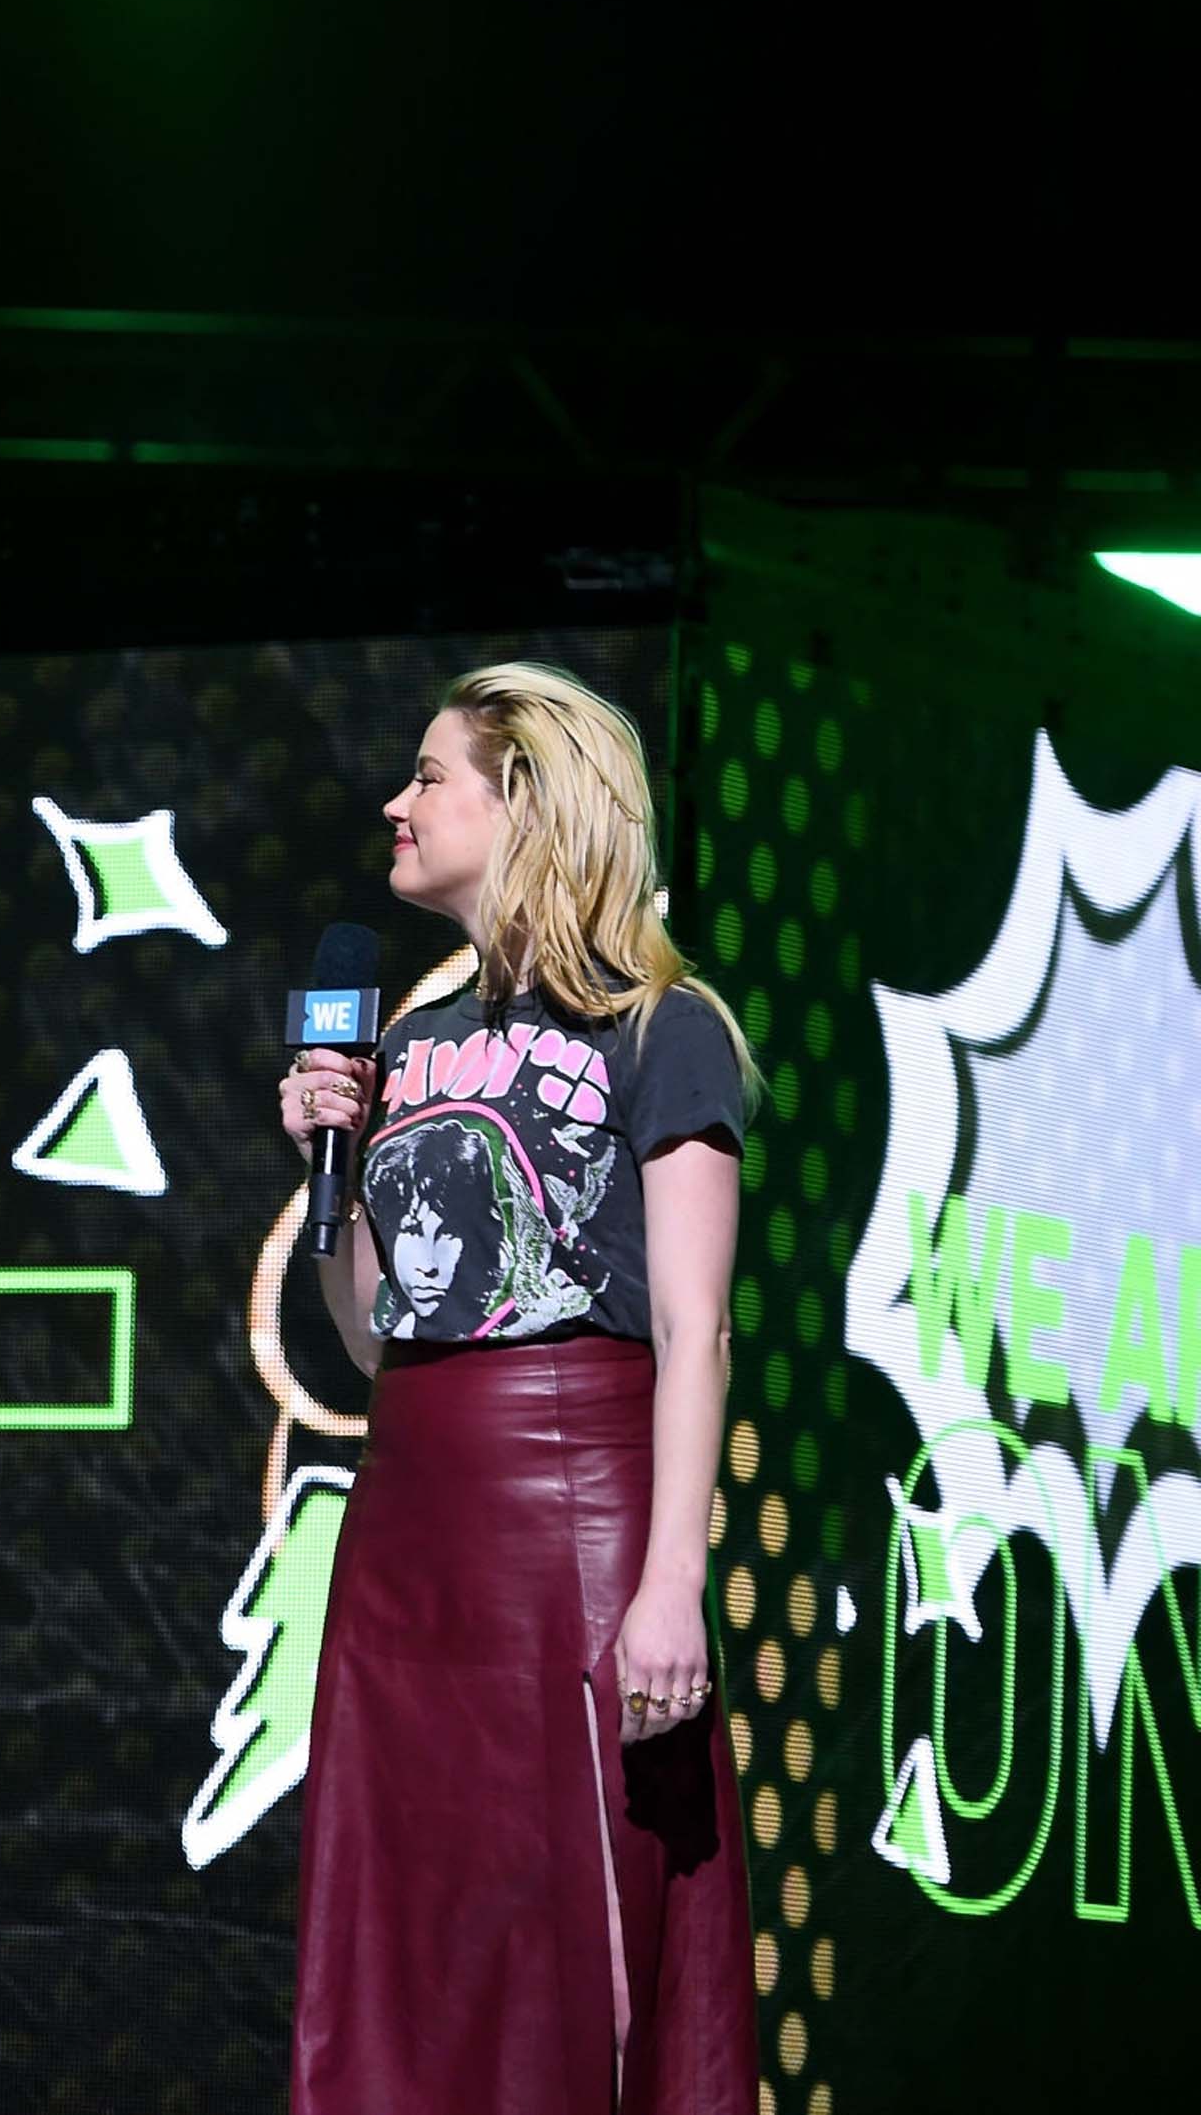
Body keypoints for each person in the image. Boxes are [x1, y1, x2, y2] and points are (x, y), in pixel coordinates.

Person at [280, 664, 762, 2114]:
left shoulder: (664, 1024)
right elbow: (377, 1334)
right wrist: (332, 1170)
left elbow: (694, 1324)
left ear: (528, 801)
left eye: (430, 775)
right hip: (411, 1520)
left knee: (568, 1937)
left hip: (571, 1519)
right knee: (414, 1936)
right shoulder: (409, 1041)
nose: (397, 800)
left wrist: (671, 1580)